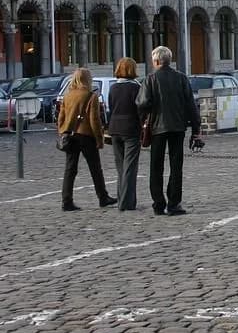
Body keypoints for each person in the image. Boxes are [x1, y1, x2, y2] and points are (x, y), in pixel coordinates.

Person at [136, 45, 200, 216]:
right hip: (178, 127)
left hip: (157, 127)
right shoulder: (181, 78)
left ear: (156, 61)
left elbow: (141, 103)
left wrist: (144, 119)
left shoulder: (150, 79)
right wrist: (196, 128)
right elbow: (191, 105)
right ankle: (174, 203)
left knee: (156, 166)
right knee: (176, 166)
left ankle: (158, 203)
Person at [58, 68, 116, 211]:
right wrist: (99, 139)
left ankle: (66, 200)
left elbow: (61, 117)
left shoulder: (67, 96)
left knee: (70, 169)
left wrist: (62, 131)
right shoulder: (91, 96)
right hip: (86, 136)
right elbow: (94, 120)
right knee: (95, 168)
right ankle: (103, 197)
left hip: (70, 135)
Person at [107, 57, 143, 211]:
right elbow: (140, 109)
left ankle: (123, 197)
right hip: (131, 129)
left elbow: (110, 107)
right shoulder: (136, 88)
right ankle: (127, 202)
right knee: (130, 167)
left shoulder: (113, 88)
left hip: (115, 129)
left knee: (121, 166)